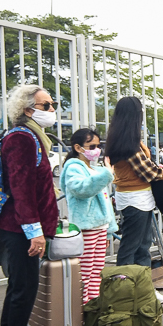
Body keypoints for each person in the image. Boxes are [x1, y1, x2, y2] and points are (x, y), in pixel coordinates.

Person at [0, 84, 58, 326]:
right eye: (46, 105)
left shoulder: (32, 136)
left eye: (52, 104)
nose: (52, 110)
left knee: (18, 285)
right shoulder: (21, 138)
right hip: (20, 227)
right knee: (25, 287)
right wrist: (35, 232)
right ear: (28, 109)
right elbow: (21, 188)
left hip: (20, 226)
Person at [104, 97, 163, 302]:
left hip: (138, 198)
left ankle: (143, 290)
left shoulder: (124, 138)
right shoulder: (128, 143)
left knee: (143, 245)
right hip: (135, 200)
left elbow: (145, 166)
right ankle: (122, 291)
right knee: (132, 247)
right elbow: (148, 172)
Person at [60, 128, 118, 306]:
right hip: (86, 227)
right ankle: (80, 308)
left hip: (100, 226)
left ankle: (92, 306)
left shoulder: (94, 168)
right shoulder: (73, 167)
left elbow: (105, 200)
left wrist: (109, 230)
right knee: (85, 272)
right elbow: (81, 190)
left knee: (97, 270)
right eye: (91, 146)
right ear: (78, 147)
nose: (96, 149)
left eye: (98, 145)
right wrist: (107, 174)